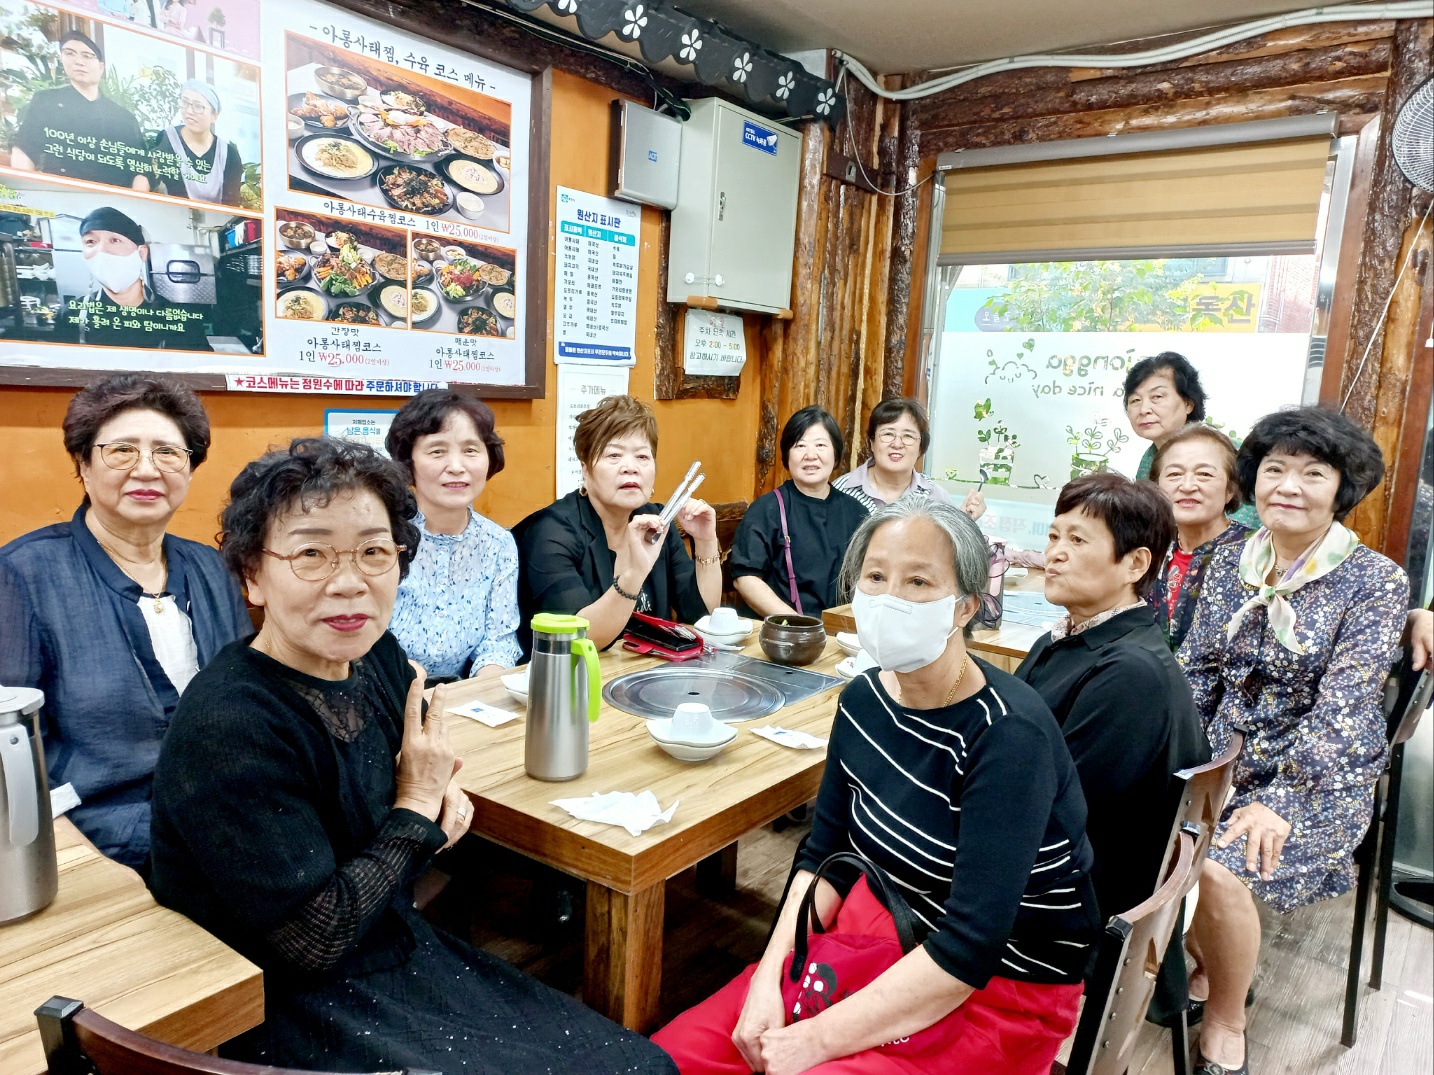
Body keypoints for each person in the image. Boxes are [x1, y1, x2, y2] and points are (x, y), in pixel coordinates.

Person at [147, 438, 677, 1074]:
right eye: (311, 554)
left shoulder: (371, 653)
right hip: (284, 1000)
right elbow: (314, 940)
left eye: (374, 552)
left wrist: (438, 784)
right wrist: (419, 807)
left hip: (387, 939)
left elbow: (422, 734)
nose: (350, 583)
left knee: (643, 1062)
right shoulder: (231, 723)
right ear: (252, 576)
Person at [654, 499, 1098, 1075]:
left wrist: (813, 1042)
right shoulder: (863, 700)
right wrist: (766, 979)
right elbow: (825, 855)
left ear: (965, 606)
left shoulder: (1008, 735)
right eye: (875, 577)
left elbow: (970, 947)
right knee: (670, 1057)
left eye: (918, 581)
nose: (890, 598)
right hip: (889, 923)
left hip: (999, 988)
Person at [1177, 407, 1408, 1075]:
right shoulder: (1231, 560)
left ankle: (1227, 1017)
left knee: (1216, 865)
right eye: (1275, 469)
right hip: (1225, 756)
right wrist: (1173, 753)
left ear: (1342, 489)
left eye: (1313, 474)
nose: (1288, 486)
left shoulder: (1375, 581)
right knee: (1134, 823)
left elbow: (1346, 705)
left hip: (1318, 776)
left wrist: (1279, 798)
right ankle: (1209, 956)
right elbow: (1198, 670)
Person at [0, 375, 248, 868]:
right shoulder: (23, 574)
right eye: (121, 451)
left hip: (226, 806)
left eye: (168, 453)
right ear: (83, 465)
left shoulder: (211, 566)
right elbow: (12, 746)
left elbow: (249, 692)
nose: (147, 469)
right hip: (103, 832)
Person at [1015, 472, 1210, 925]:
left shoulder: (1130, 674)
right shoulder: (1067, 637)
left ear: (1135, 564)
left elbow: (1052, 812)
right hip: (1046, 866)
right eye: (1054, 536)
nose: (1055, 553)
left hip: (1071, 905)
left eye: (1078, 540)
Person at [514, 394, 718, 652]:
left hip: (646, 668)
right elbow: (578, 639)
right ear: (585, 470)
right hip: (575, 671)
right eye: (613, 455)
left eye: (642, 457)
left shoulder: (657, 520)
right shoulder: (551, 531)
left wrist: (706, 541)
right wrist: (633, 575)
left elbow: (700, 614)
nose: (630, 467)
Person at [385, 390, 520, 681]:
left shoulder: (498, 544)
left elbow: (498, 642)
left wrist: (487, 685)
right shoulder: (382, 536)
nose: (457, 467)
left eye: (470, 450)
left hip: (461, 695)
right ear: (409, 461)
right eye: (437, 451)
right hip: (383, 691)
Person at [729, 406, 867, 618]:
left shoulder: (856, 512)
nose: (810, 455)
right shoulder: (766, 510)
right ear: (787, 455)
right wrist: (797, 624)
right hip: (784, 627)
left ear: (836, 453)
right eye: (800, 445)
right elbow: (746, 578)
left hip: (842, 628)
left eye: (820, 445)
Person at [1149, 424, 1254, 650]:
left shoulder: (1257, 554)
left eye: (1204, 474)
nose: (1187, 486)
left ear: (1231, 489)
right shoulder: (1147, 551)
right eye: (1174, 474)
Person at [1124, 352, 1259, 527]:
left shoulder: (1229, 453)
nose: (1144, 409)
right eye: (1135, 400)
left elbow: (1246, 526)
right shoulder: (1149, 459)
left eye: (1157, 397)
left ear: (1188, 403)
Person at [9, 32, 151, 192]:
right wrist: (29, 196)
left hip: (112, 202)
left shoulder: (124, 118)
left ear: (101, 67)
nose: (79, 62)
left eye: (87, 56)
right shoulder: (46, 101)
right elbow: (25, 149)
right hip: (58, 195)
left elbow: (141, 171)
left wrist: (133, 203)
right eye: (70, 54)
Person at [60, 207, 211, 351]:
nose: (102, 251)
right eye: (90, 242)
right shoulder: (69, 315)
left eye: (115, 240)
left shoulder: (180, 319)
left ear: (141, 253)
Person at [834, 397, 984, 519]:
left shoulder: (935, 496)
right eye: (888, 434)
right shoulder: (841, 491)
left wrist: (963, 521)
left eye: (908, 436)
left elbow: (946, 546)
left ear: (920, 447)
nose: (897, 444)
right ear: (872, 442)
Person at [152, 80, 243, 205]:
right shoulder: (167, 139)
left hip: (216, 218)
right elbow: (172, 189)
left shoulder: (229, 155)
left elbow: (231, 204)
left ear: (214, 116)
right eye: (185, 102)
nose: (189, 111)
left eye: (198, 106)